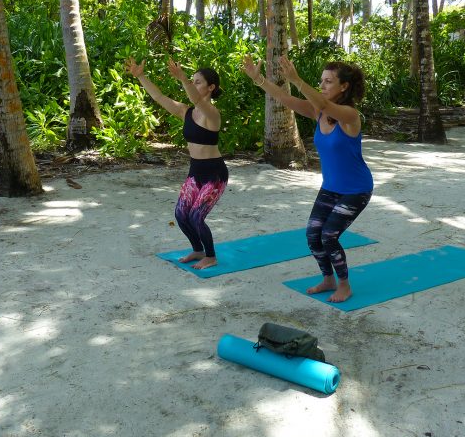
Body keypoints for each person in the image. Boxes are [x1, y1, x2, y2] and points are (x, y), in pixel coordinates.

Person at [242, 54, 373, 302]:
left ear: (343, 86)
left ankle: (344, 285)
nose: (322, 86)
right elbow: (283, 98)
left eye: (328, 82)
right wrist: (258, 79)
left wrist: (296, 79)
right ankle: (327, 279)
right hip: (331, 187)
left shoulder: (349, 116)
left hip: (356, 189)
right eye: (321, 81)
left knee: (329, 236)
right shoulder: (318, 112)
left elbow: (324, 106)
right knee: (313, 234)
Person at [125, 57, 228, 270]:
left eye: (197, 82)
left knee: (196, 216)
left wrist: (183, 79)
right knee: (181, 215)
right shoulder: (186, 112)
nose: (193, 84)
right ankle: (197, 250)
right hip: (195, 171)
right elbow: (159, 96)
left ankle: (210, 256)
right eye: (192, 81)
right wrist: (141, 76)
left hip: (215, 174)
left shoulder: (212, 114)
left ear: (211, 87)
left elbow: (199, 101)